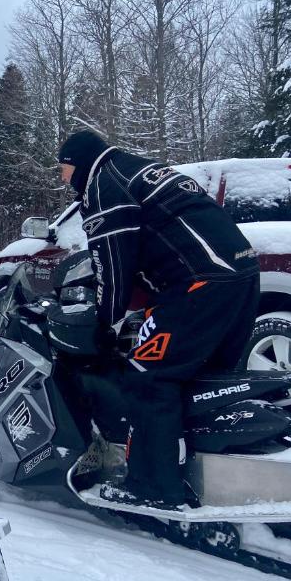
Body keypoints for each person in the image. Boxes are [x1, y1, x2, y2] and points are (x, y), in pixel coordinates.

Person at [58, 130, 260, 508]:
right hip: (242, 275)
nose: (63, 178)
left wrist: (106, 323)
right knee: (203, 379)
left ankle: (153, 487)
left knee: (147, 375)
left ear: (79, 161)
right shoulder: (144, 169)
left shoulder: (104, 184)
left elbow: (113, 264)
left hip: (200, 283)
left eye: (63, 168)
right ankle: (217, 470)